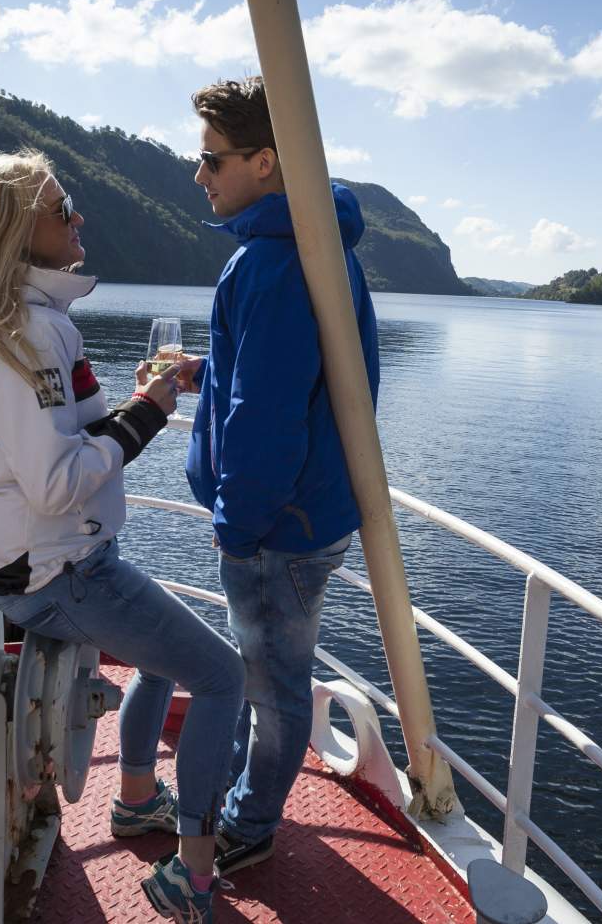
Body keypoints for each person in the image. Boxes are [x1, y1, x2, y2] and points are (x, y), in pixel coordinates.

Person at [0, 149, 238, 923]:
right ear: (15, 233)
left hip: (37, 571)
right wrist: (148, 413)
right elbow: (55, 483)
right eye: (62, 208)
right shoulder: (24, 334)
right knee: (221, 676)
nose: (78, 216)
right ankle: (192, 875)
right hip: (66, 575)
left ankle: (135, 798)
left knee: (160, 655)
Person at [173, 78, 380, 876]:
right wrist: (207, 371)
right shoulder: (315, 246)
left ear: (264, 162)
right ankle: (238, 800)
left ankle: (248, 827)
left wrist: (237, 525)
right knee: (263, 675)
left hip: (274, 528)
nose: (199, 174)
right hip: (304, 514)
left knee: (273, 687)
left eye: (211, 159)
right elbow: (286, 374)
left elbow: (267, 415)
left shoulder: (268, 262)